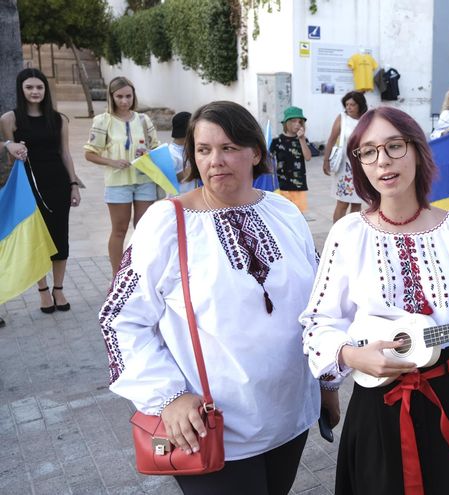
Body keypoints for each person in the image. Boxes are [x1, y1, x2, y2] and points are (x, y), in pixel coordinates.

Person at [100, 101, 326, 494]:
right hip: (212, 428)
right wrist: (168, 397)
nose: (216, 160)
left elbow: (319, 304)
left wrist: (326, 387)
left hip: (290, 417)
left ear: (255, 152)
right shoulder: (166, 223)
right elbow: (120, 318)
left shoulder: (285, 213)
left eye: (229, 148)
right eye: (204, 150)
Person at [300, 106, 449, 495]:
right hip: (377, 402)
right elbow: (318, 323)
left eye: (394, 146)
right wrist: (350, 355)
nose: (382, 161)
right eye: (368, 151)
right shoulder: (347, 233)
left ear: (417, 150)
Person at [1, 68, 80, 313]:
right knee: (37, 238)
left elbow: (65, 153)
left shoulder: (58, 119)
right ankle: (43, 291)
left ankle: (59, 288)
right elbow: (6, 147)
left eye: (39, 87)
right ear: (21, 90)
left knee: (59, 237)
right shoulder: (9, 119)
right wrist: (8, 144)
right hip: (28, 187)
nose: (35, 92)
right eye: (29, 87)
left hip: (57, 182)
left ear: (46, 90)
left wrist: (73, 184)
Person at [84, 76, 160, 274]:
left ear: (133, 96)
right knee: (119, 230)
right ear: (112, 96)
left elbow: (156, 149)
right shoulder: (103, 121)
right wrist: (113, 162)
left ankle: (141, 273)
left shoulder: (144, 120)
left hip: (145, 181)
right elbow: (90, 153)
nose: (124, 101)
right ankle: (117, 278)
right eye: (119, 96)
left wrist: (147, 154)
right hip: (117, 183)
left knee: (144, 231)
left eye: (128, 96)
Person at [323, 91, 366, 223]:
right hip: (345, 167)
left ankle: (353, 233)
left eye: (352, 104)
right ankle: (337, 234)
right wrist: (326, 160)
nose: (349, 107)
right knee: (342, 203)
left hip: (362, 167)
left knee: (357, 204)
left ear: (360, 105)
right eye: (347, 104)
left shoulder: (366, 119)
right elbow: (331, 140)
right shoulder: (342, 118)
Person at [270, 106, 312, 213]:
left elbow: (308, 157)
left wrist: (302, 139)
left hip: (299, 185)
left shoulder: (303, 140)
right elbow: (268, 160)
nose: (297, 124)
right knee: (282, 214)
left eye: (300, 122)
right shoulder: (277, 141)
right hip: (281, 185)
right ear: (286, 123)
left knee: (298, 215)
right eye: (293, 121)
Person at [169, 111, 197, 196]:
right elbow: (170, 179)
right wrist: (191, 169)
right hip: (179, 197)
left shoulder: (193, 148)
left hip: (194, 195)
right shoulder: (171, 152)